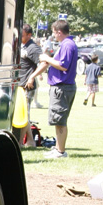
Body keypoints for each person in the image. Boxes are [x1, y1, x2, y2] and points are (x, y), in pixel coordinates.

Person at [26, 19, 77, 158]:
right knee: (57, 120)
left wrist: (47, 59)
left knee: (60, 120)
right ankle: (58, 149)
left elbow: (63, 65)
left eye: (54, 33)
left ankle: (61, 151)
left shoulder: (67, 45)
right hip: (62, 87)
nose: (53, 35)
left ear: (59, 32)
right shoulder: (67, 44)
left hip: (62, 87)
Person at [16, 24, 42, 148]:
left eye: (22, 35)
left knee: (24, 114)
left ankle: (21, 142)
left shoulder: (33, 48)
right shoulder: (23, 46)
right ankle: (30, 141)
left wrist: (32, 77)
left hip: (27, 86)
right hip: (20, 85)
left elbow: (43, 63)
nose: (20, 37)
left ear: (29, 35)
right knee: (23, 114)